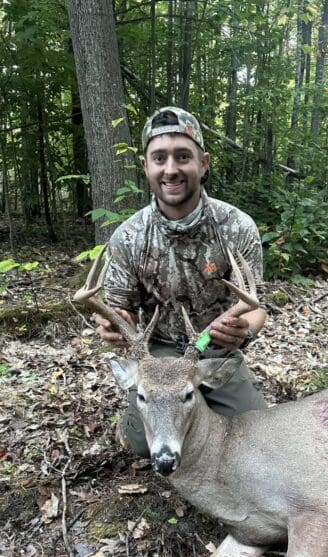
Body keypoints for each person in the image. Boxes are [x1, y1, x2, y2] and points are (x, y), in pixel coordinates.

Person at [95, 106, 268, 456]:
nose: (171, 169)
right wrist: (116, 325)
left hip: (213, 349)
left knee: (255, 435)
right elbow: (118, 310)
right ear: (146, 166)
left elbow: (257, 307)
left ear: (203, 164)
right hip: (158, 355)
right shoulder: (127, 237)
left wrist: (244, 331)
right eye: (159, 158)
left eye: (183, 157)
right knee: (141, 445)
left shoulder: (237, 227)